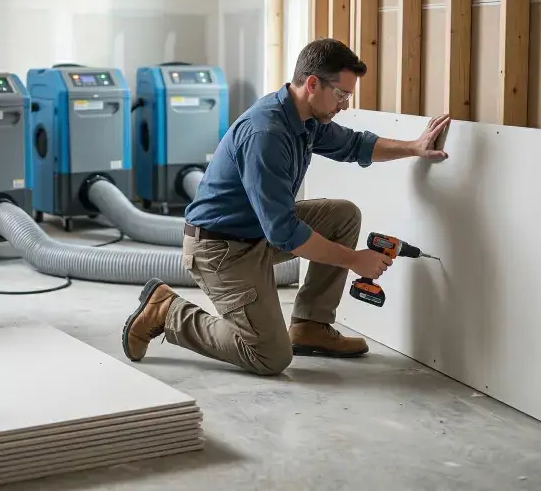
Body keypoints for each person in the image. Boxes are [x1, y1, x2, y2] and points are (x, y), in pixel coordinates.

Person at [121, 37, 450, 376]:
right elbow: (284, 232)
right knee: (269, 356)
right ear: (312, 84)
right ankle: (167, 311)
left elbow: (355, 145)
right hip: (220, 250)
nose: (345, 105)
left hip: (254, 234)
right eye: (342, 94)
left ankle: (311, 326)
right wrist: (354, 260)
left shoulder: (305, 119)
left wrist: (414, 147)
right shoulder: (266, 133)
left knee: (342, 216)